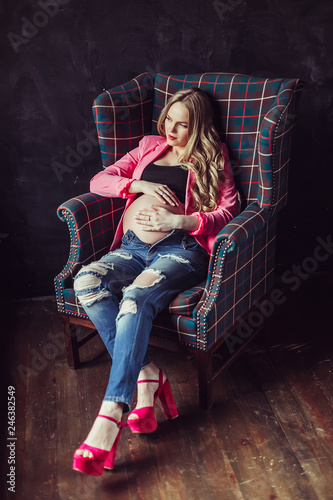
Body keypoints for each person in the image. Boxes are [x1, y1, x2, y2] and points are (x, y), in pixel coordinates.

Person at [72, 87, 240, 476]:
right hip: (130, 249)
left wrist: (180, 221)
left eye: (183, 124)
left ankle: (112, 410)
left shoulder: (211, 155)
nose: (172, 130)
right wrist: (139, 185)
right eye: (169, 119)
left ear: (198, 126)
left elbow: (228, 209)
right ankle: (148, 372)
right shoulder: (149, 145)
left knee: (134, 297)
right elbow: (100, 180)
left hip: (180, 251)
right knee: (86, 282)